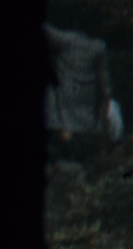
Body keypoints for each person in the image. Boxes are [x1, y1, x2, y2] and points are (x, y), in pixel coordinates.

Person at [44, 23, 123, 157]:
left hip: (68, 101)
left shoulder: (68, 40)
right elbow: (104, 78)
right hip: (84, 103)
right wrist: (106, 96)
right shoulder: (98, 46)